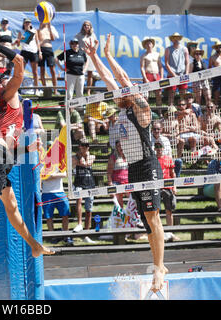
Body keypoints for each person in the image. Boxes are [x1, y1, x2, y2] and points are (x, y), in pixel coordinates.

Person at [0, 31, 54, 280]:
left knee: (11, 206)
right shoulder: (8, 93)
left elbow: (9, 143)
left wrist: (29, 148)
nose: (9, 79)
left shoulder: (4, 109)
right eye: (3, 79)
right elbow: (20, 63)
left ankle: (34, 246)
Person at [83, 33, 167, 292]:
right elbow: (110, 79)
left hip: (148, 165)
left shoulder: (142, 110)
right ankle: (159, 266)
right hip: (133, 169)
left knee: (153, 218)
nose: (115, 91)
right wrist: (94, 55)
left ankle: (158, 269)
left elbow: (120, 79)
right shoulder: (122, 108)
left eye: (124, 89)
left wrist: (108, 55)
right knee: (146, 220)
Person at [41, 162, 73, 246]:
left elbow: (65, 174)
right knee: (49, 217)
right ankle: (53, 236)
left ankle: (66, 235)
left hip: (60, 193)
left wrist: (51, 175)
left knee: (65, 214)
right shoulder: (41, 164)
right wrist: (56, 175)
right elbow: (44, 177)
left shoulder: (59, 163)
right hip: (47, 193)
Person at [154, 142, 180, 242]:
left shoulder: (168, 158)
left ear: (163, 148)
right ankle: (158, 233)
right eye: (157, 147)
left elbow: (173, 174)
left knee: (169, 210)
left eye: (160, 147)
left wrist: (175, 187)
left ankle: (170, 233)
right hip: (156, 187)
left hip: (167, 187)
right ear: (155, 149)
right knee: (155, 211)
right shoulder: (153, 160)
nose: (159, 148)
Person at [72, 141, 96, 244]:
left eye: (86, 146)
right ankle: (79, 223)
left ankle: (86, 234)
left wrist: (82, 156)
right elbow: (79, 162)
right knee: (79, 200)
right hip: (79, 183)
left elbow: (87, 163)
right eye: (82, 146)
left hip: (90, 184)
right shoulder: (75, 157)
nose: (84, 148)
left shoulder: (92, 156)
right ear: (79, 147)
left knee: (89, 210)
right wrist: (80, 156)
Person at [15, 18, 42, 94]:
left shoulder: (34, 31)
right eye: (26, 22)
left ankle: (36, 89)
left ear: (30, 24)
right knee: (21, 71)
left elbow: (37, 42)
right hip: (24, 52)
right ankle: (19, 89)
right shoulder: (21, 32)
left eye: (28, 22)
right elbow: (18, 44)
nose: (27, 24)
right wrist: (18, 40)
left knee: (35, 72)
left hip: (33, 52)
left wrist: (40, 52)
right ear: (23, 24)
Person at [164, 32, 189, 106]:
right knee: (171, 95)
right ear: (172, 39)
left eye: (178, 38)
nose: (176, 39)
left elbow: (187, 62)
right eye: (174, 38)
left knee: (183, 95)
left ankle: (184, 111)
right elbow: (166, 63)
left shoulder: (185, 49)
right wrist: (174, 75)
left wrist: (186, 73)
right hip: (172, 75)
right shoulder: (168, 49)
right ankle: (170, 112)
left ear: (180, 39)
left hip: (182, 75)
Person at [76, 20, 98, 96]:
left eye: (88, 25)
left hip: (90, 56)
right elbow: (74, 43)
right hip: (82, 55)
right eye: (85, 25)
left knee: (90, 74)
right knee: (80, 74)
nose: (86, 26)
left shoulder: (93, 35)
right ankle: (80, 90)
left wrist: (94, 50)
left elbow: (96, 44)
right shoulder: (79, 35)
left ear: (90, 26)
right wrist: (78, 50)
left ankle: (88, 91)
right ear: (83, 26)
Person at [37, 22, 59, 95]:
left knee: (52, 70)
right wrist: (39, 51)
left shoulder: (50, 29)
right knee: (42, 70)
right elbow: (38, 41)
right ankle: (45, 89)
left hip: (49, 49)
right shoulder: (38, 30)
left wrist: (49, 28)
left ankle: (55, 90)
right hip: (41, 49)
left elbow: (52, 38)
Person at [140, 38, 163, 106]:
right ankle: (146, 112)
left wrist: (161, 77)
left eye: (150, 43)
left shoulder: (157, 54)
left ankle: (160, 112)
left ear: (152, 45)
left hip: (156, 75)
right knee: (146, 96)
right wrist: (145, 78)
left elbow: (161, 67)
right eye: (147, 44)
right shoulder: (143, 56)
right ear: (145, 46)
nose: (149, 45)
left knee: (158, 94)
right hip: (148, 75)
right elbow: (142, 67)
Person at [106, 140, 128, 208]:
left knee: (132, 199)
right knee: (118, 201)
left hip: (127, 182)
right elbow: (109, 173)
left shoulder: (128, 156)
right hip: (117, 182)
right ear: (116, 147)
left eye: (122, 145)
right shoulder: (113, 157)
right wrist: (110, 183)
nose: (121, 147)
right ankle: (121, 216)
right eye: (119, 146)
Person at [209, 41, 221, 108]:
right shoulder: (212, 57)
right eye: (217, 47)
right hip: (217, 76)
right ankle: (216, 108)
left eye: (220, 46)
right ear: (215, 48)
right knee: (216, 93)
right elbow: (209, 67)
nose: (219, 48)